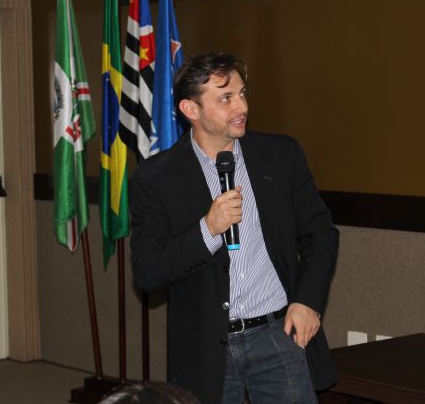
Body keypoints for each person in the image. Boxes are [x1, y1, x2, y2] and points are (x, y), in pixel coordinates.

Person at [130, 52, 339, 403]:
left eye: (241, 94)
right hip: (205, 347)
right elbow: (149, 272)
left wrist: (308, 302)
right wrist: (208, 229)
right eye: (225, 98)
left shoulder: (281, 155)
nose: (241, 106)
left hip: (277, 332)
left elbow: (321, 234)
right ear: (191, 109)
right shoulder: (156, 177)